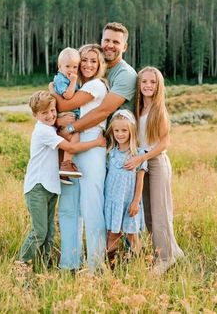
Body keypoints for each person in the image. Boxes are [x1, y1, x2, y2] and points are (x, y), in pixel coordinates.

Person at [17, 90, 106, 270]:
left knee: (49, 233)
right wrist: (96, 143)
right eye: (44, 113)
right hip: (37, 187)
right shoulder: (43, 131)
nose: (50, 115)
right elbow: (71, 147)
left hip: (50, 187)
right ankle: (20, 268)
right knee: (39, 232)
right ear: (35, 115)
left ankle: (43, 267)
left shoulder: (50, 127)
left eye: (52, 111)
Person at [52, 44, 108, 272]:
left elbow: (65, 104)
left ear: (100, 65)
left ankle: (95, 266)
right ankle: (69, 263)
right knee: (68, 207)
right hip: (71, 147)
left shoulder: (96, 85)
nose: (87, 64)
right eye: (83, 60)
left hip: (92, 146)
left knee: (92, 206)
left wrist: (51, 89)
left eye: (93, 60)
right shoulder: (78, 85)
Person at [124, 66, 184, 275]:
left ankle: (165, 258)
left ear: (159, 86)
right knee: (149, 213)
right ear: (139, 85)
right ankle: (173, 250)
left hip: (156, 163)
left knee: (160, 212)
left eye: (153, 82)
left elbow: (163, 143)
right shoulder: (138, 108)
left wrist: (142, 158)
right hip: (143, 165)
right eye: (144, 82)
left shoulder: (159, 110)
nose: (148, 86)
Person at [54, 22, 138, 139]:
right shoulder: (94, 69)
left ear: (124, 47)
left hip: (117, 141)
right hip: (95, 137)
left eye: (116, 42)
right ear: (101, 41)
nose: (110, 45)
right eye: (107, 40)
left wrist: (69, 129)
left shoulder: (126, 75)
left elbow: (103, 111)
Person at [104, 109, 147, 270]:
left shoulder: (138, 154)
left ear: (131, 131)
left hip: (129, 202)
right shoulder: (110, 153)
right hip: (113, 201)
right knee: (113, 234)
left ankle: (138, 266)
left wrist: (136, 202)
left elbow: (140, 181)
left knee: (131, 234)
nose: (120, 134)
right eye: (116, 130)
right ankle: (111, 268)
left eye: (124, 130)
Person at [53, 47, 81, 185]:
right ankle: (66, 165)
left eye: (75, 67)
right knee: (74, 136)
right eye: (68, 66)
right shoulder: (61, 80)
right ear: (60, 67)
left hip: (68, 116)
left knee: (67, 141)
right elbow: (68, 95)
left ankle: (63, 170)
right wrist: (74, 81)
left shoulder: (66, 78)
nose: (71, 70)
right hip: (66, 116)